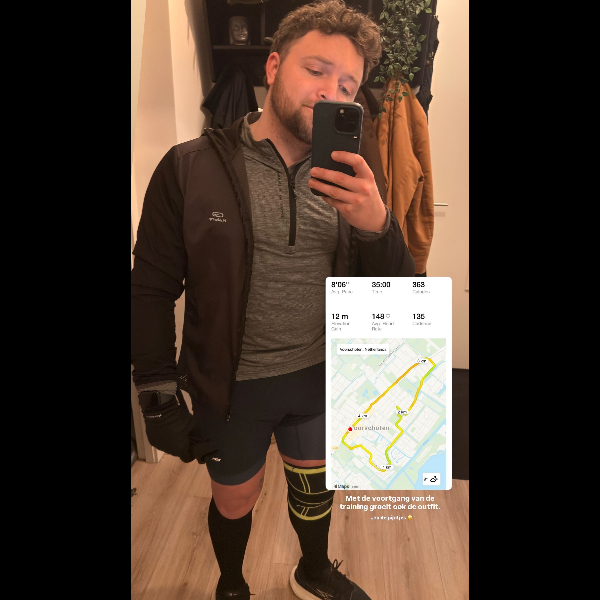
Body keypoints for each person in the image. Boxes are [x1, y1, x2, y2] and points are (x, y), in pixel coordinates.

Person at [131, 2, 415, 599]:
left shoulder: (357, 176)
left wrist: (377, 225)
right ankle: (232, 582)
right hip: (232, 386)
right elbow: (150, 287)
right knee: (235, 498)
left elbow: (391, 291)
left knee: (316, 490)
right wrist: (156, 392)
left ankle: (313, 570)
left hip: (321, 377)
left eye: (348, 85)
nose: (331, 92)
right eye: (317, 70)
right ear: (274, 66)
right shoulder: (188, 167)